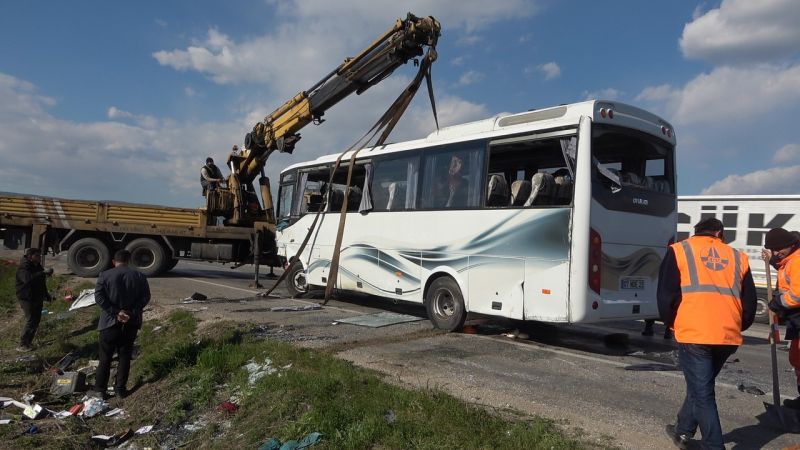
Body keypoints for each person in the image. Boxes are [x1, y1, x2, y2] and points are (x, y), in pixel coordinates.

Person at [658, 217, 756, 450]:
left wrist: (671, 323)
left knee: (703, 391)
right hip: (727, 334)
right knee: (700, 385)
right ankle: (683, 430)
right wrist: (736, 325)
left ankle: (714, 446)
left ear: (696, 232)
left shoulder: (680, 250)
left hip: (694, 332)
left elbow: (666, 295)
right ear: (719, 232)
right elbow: (750, 302)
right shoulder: (738, 257)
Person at [94, 249, 151, 399]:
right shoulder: (139, 276)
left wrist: (116, 312)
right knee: (124, 356)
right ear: (129, 261)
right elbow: (145, 297)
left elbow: (99, 298)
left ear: (114, 261)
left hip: (109, 323)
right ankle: (120, 390)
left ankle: (100, 390)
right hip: (131, 322)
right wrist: (130, 312)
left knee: (105, 357)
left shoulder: (105, 275)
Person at [761, 229, 800, 409]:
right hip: (796, 319)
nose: (776, 252)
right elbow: (782, 264)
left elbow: (797, 295)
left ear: (790, 244)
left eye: (778, 249)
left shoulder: (798, 261)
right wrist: (771, 260)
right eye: (773, 249)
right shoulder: (789, 259)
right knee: (797, 359)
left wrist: (777, 303)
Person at [15, 248, 53, 351]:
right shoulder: (24, 267)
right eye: (37, 256)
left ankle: (28, 342)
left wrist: (46, 295)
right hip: (26, 298)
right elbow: (27, 279)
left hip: (37, 296)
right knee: (31, 319)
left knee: (37, 319)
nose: (40, 257)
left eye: (39, 255)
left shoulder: (37, 266)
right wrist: (42, 273)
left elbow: (41, 282)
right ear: (30, 257)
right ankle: (22, 344)